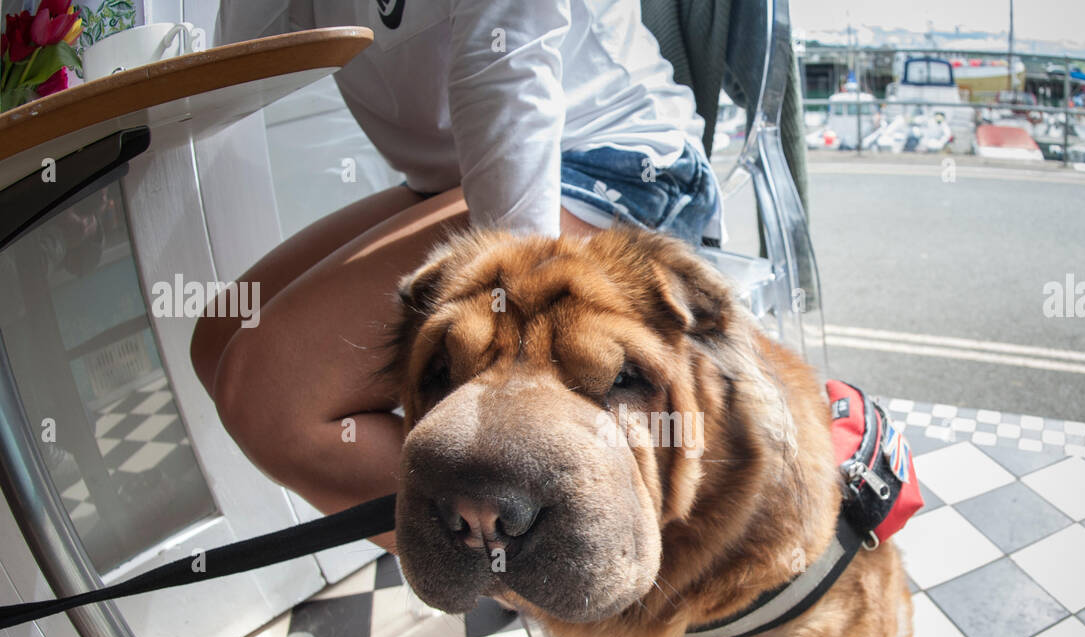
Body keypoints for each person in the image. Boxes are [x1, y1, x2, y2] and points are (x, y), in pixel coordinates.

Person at [190, 0, 722, 552]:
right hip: (457, 172)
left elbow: (509, 62)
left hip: (607, 159)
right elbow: (239, 66)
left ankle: (577, 561)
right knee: (221, 333)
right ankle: (513, 551)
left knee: (272, 398)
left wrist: (510, 321)